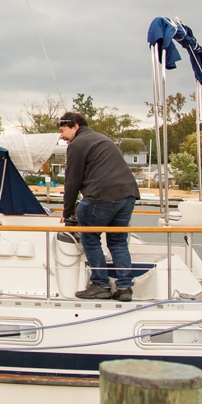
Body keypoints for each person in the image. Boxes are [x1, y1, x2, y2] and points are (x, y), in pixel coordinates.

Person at [58, 111, 141, 302]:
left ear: (75, 126)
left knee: (90, 237)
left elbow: (72, 181)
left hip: (102, 197)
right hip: (128, 195)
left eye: (63, 131)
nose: (61, 137)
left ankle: (100, 284)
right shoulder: (102, 139)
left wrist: (68, 211)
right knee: (118, 241)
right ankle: (124, 287)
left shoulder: (77, 145)